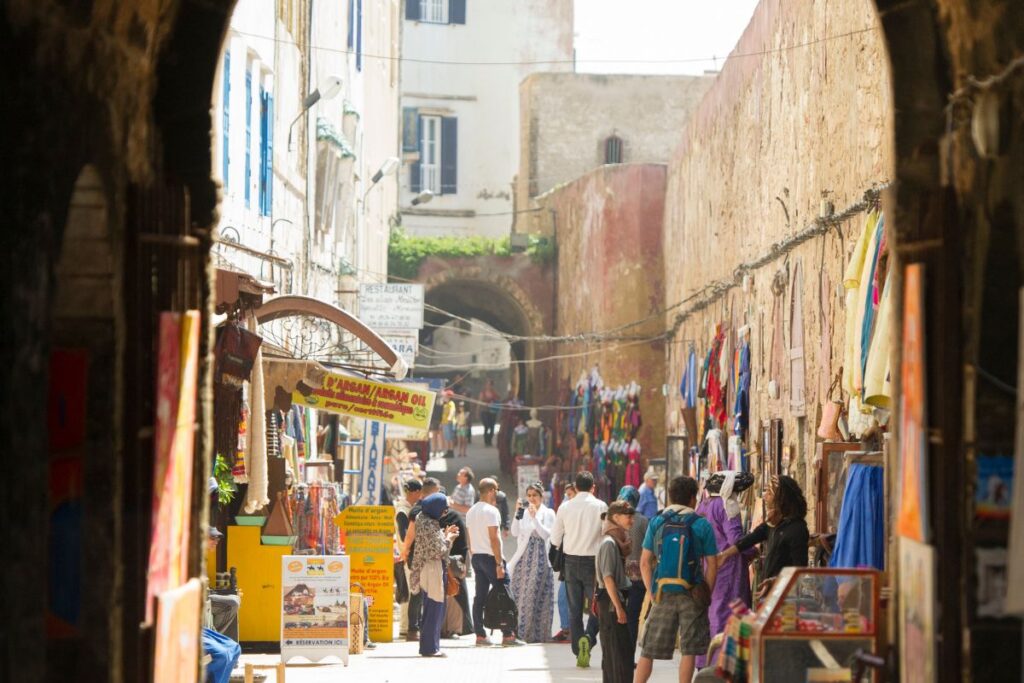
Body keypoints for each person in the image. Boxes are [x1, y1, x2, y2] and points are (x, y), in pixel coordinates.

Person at [635, 476, 719, 683]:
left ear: (670, 497)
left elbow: (645, 562)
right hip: (692, 591)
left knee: (648, 649)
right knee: (689, 649)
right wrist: (706, 591)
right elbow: (712, 564)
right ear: (693, 498)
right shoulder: (701, 525)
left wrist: (652, 592)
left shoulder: (657, 521)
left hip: (662, 592)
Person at [695, 471, 755, 669]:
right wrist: (754, 550)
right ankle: (726, 665)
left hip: (707, 567)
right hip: (729, 570)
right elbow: (736, 540)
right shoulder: (726, 505)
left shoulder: (702, 506)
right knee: (731, 617)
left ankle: (705, 662)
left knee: (712, 613)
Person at [717, 474, 809, 599]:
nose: (764, 497)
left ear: (781, 498)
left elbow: (799, 570)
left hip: (787, 597)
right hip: (771, 593)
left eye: (769, 493)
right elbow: (749, 539)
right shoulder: (774, 524)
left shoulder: (797, 529)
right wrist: (725, 554)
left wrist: (774, 581)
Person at [550, 471, 607, 667]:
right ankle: (589, 638)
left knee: (574, 609)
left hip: (571, 563)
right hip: (594, 563)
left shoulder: (565, 507)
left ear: (575, 487)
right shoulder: (601, 506)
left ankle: (577, 650)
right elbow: (606, 535)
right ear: (593, 487)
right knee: (597, 606)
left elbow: (555, 539)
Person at [466, 478, 525, 647]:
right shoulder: (491, 511)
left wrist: (474, 555)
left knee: (480, 596)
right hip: (491, 558)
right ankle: (508, 635)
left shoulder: (471, 511)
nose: (498, 493)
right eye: (497, 490)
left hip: (477, 557)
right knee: (504, 593)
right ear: (491, 490)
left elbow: (470, 538)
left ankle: (480, 635)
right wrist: (499, 563)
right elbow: (495, 539)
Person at [408, 493, 461, 657]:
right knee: (434, 608)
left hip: (428, 568)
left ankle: (429, 646)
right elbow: (438, 551)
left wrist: (444, 535)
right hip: (432, 570)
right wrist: (450, 538)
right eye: (444, 510)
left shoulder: (423, 518)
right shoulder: (429, 524)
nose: (444, 513)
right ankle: (430, 648)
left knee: (432, 607)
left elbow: (432, 544)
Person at [509, 482, 556, 642]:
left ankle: (536, 634)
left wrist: (536, 518)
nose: (531, 498)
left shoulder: (548, 512)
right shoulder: (524, 512)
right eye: (529, 495)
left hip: (540, 557)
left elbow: (545, 535)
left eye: (534, 495)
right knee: (520, 594)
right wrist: (517, 512)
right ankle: (519, 632)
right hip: (523, 557)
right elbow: (514, 532)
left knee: (535, 594)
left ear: (541, 497)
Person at [595, 500, 636, 683]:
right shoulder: (609, 543)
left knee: (619, 654)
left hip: (615, 601)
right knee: (617, 655)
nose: (632, 520)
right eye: (628, 516)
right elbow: (608, 578)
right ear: (616, 517)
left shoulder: (615, 542)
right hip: (612, 603)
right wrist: (618, 608)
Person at [399, 478, 442, 641]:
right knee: (419, 593)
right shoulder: (419, 510)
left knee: (417, 593)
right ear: (431, 492)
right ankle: (414, 629)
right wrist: (406, 552)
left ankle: (415, 630)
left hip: (417, 557)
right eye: (437, 491)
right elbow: (409, 536)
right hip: (420, 558)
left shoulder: (420, 509)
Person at [616, 485, 649, 653]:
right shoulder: (643, 520)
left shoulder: (615, 519)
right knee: (633, 616)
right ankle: (629, 654)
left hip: (619, 574)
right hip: (639, 575)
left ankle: (616, 652)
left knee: (617, 613)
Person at [438, 488, 474, 636]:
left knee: (455, 594)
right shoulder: (431, 517)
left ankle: (458, 628)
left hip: (452, 562)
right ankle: (444, 628)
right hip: (445, 561)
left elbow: (461, 543)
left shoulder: (452, 516)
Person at [395, 478, 424, 639]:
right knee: (410, 592)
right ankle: (405, 628)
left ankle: (406, 627)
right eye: (419, 492)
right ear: (414, 492)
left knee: (409, 590)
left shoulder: (407, 508)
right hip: (407, 557)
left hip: (407, 555)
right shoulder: (403, 510)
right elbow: (405, 534)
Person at [553, 482, 577, 643]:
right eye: (566, 495)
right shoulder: (566, 509)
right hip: (568, 559)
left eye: (570, 494)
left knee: (575, 598)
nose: (567, 498)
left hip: (580, 559)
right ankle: (567, 629)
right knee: (563, 596)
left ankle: (573, 631)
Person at [478, 379, 500, 446]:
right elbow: (479, 402)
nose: (488, 386)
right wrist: (477, 411)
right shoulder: (483, 392)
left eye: (490, 384)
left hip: (492, 412)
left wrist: (493, 400)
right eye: (487, 384)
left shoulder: (494, 392)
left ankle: (489, 440)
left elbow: (498, 398)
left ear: (492, 385)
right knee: (486, 426)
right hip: (484, 411)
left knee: (492, 427)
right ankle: (486, 441)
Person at [441, 394, 457, 458]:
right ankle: (448, 451)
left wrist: (449, 418)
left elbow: (452, 411)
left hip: (449, 422)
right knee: (447, 438)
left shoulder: (451, 403)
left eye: (445, 396)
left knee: (450, 438)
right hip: (445, 422)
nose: (444, 397)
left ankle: (451, 451)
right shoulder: (445, 404)